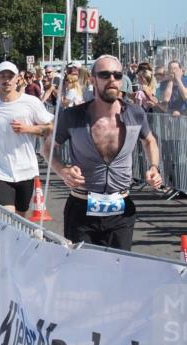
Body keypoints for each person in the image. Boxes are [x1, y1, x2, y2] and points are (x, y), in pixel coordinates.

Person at [45, 55, 162, 250]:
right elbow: (47, 148)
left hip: (121, 210)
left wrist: (154, 167)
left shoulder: (135, 114)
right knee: (83, 267)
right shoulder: (73, 116)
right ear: (93, 80)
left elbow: (149, 140)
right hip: (82, 208)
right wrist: (63, 171)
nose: (112, 79)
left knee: (118, 267)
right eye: (105, 75)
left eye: (117, 75)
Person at [0, 63, 54, 217]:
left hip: (26, 169)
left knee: (20, 218)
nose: (6, 80)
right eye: (3, 76)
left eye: (10, 76)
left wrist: (28, 129)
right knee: (7, 218)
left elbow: (50, 127)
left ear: (18, 79)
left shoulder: (31, 102)